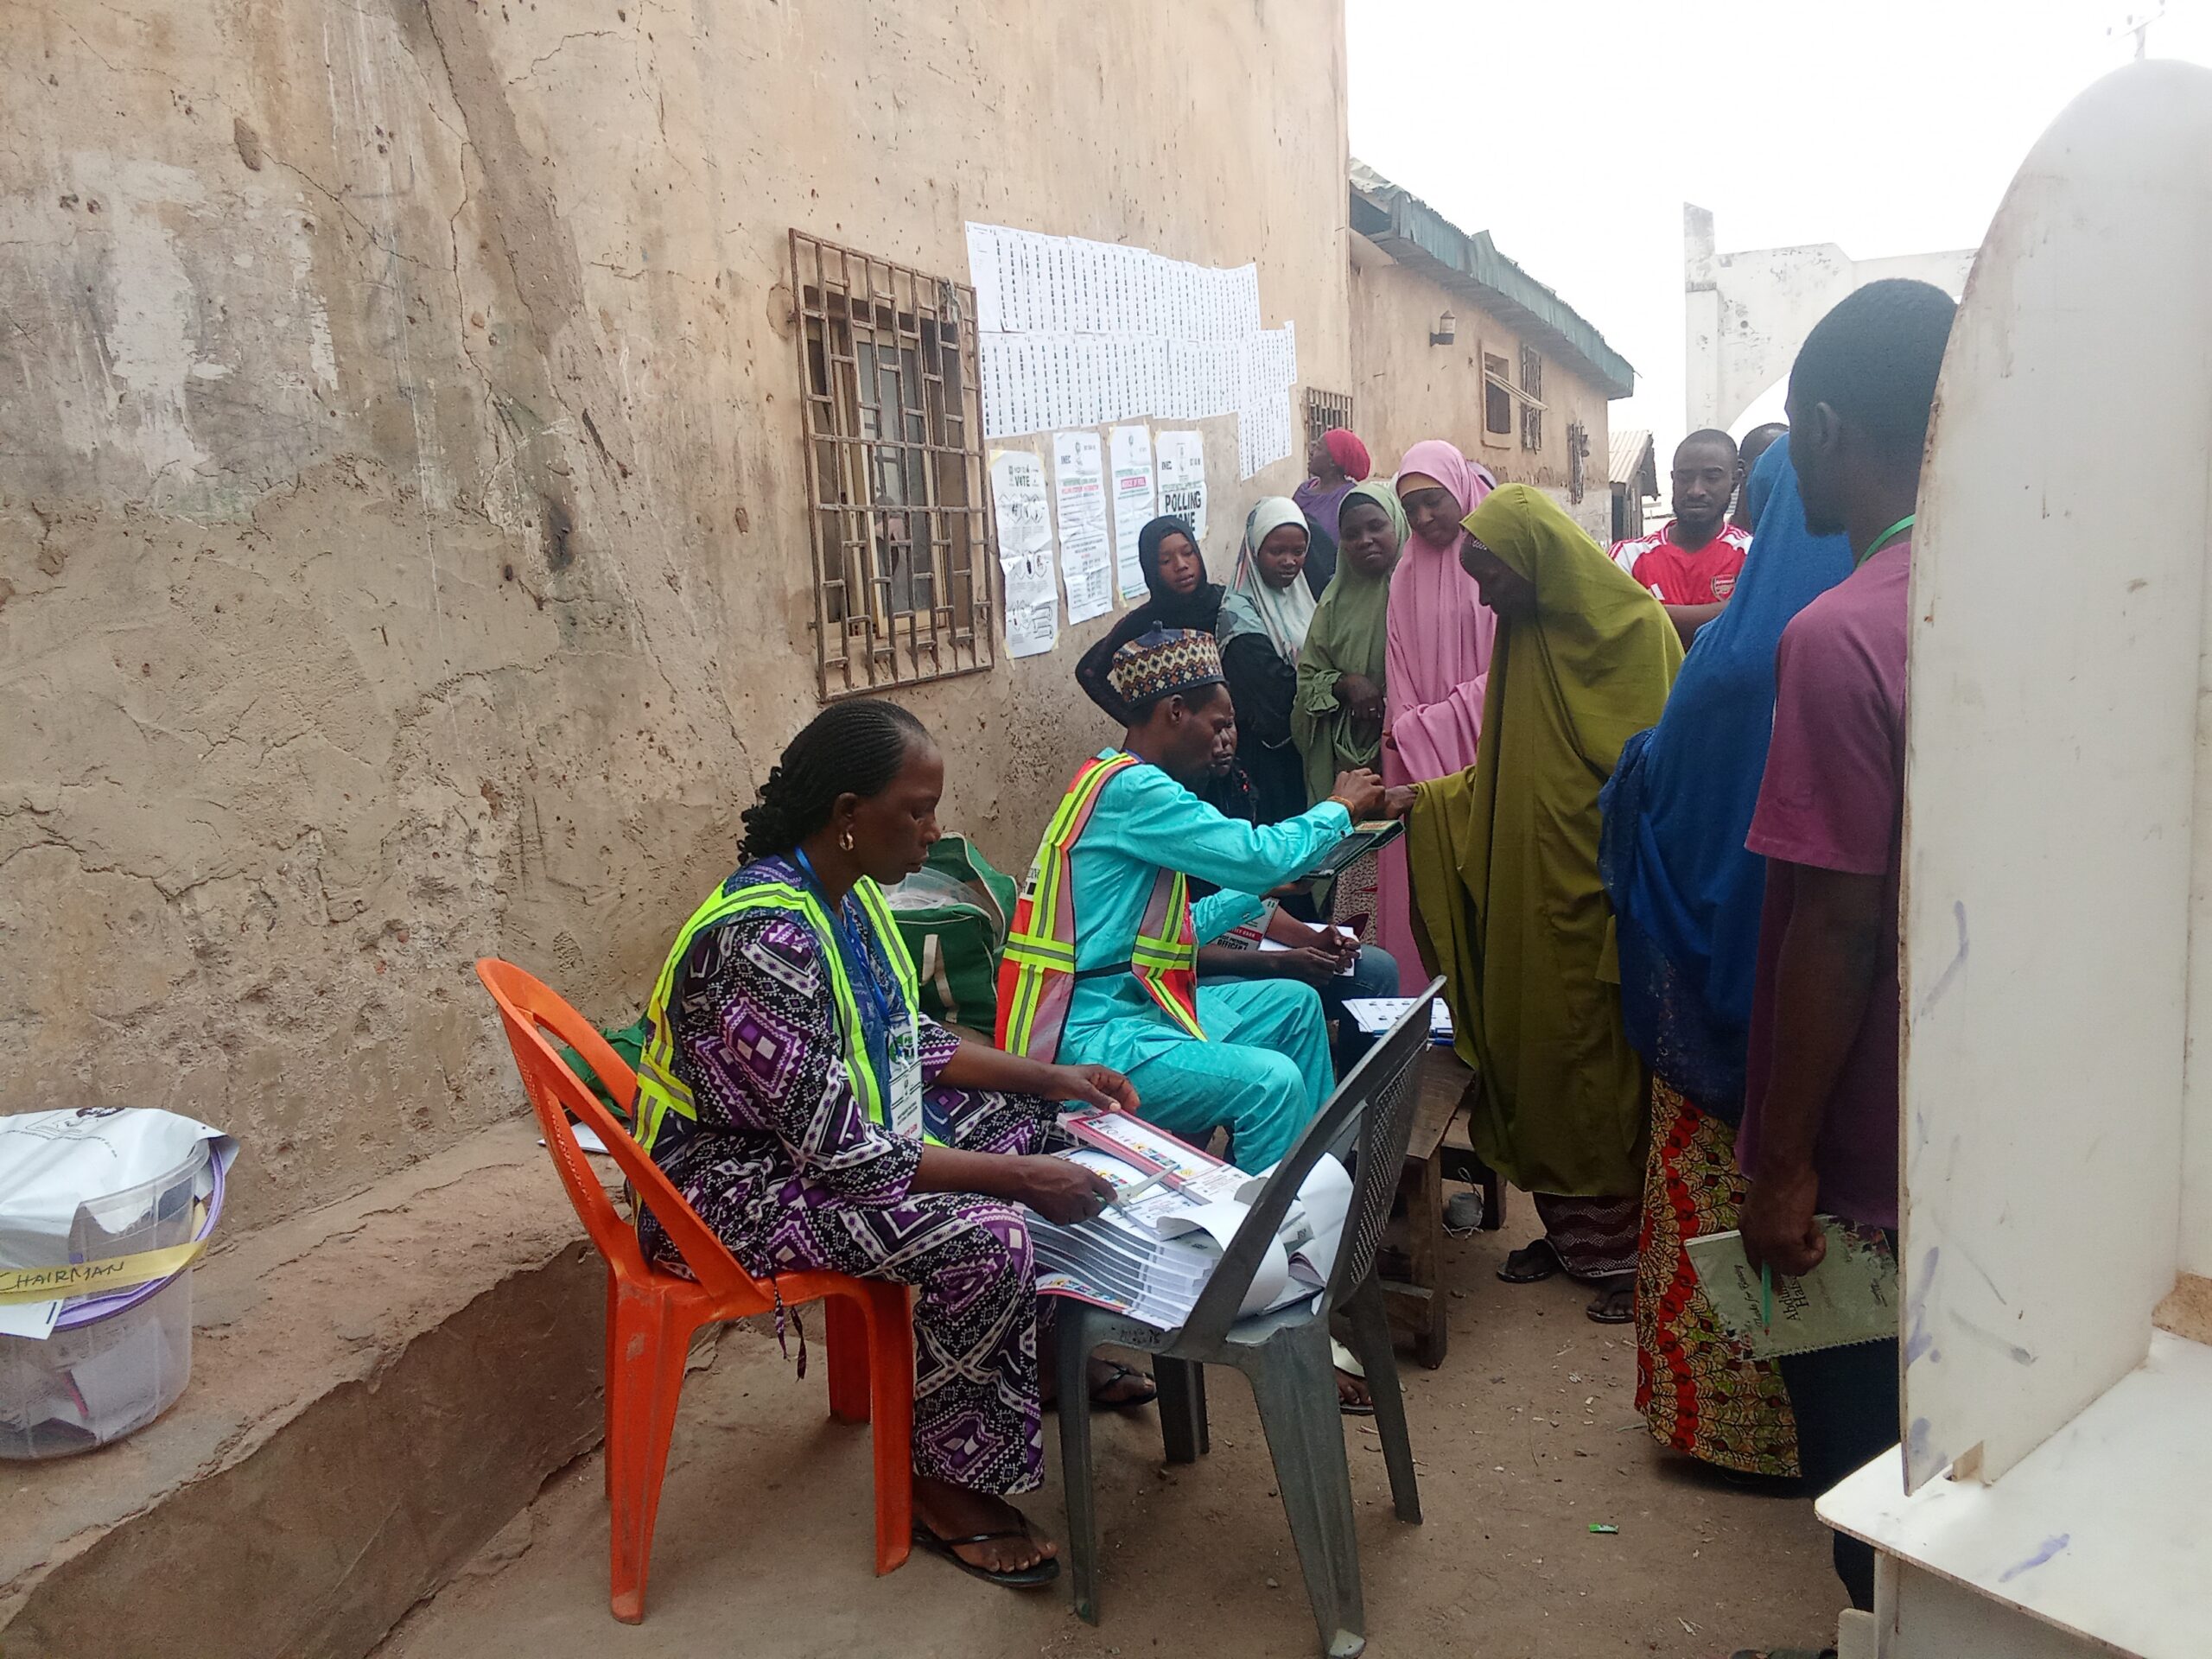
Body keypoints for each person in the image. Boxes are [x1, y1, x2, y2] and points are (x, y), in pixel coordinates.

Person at [632, 701, 1155, 1592]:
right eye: (916, 811)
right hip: (721, 1193)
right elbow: (849, 1157)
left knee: (1047, 1130)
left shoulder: (851, 899)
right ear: (847, 815)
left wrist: (1053, 1079)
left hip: (810, 1149)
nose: (933, 830)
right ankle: (943, 1482)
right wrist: (1018, 1181)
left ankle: (1034, 1358)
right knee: (987, 1232)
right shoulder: (764, 942)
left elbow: (905, 1042)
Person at [1734, 278, 1956, 1629]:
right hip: (2002, 1143)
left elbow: (1837, 923)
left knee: (1867, 1483)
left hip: (1868, 1163)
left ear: (1822, 427)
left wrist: (1785, 1166)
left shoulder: (1843, 634)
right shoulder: (2039, 597)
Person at [1599, 441, 1853, 1481]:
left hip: (1713, 984)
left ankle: (1720, 1427)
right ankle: (1835, 1435)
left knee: (1712, 1190)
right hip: (1834, 987)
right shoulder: (1883, 632)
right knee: (1831, 1194)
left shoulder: (1735, 657)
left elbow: (1657, 786)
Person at [1407, 486, 1682, 1323]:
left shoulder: (1638, 633)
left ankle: (1630, 1256)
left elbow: (1667, 781)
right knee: (1541, 1064)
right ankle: (1572, 1239)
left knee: (1602, 1075)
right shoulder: (1523, 639)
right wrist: (1427, 803)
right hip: (1529, 892)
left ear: (1536, 560)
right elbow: (1506, 768)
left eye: (1491, 578)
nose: (1485, 600)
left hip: (1604, 898)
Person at [997, 627, 1392, 1176]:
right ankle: (1265, 1222)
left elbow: (1178, 929)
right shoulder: (1134, 790)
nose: (1224, 739)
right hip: (1087, 1036)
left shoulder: (1115, 782)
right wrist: (1339, 808)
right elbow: (1261, 856)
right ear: (1176, 711)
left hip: (1134, 1007)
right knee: (1271, 1083)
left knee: (1296, 1006)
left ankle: (1316, 1184)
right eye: (1219, 723)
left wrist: (1261, 889)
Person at [1381, 439, 1497, 975]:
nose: (1424, 518)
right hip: (1422, 760)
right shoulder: (1405, 574)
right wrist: (1414, 730)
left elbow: (1510, 668)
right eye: (1411, 509)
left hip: (1493, 743)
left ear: (1461, 490)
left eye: (1434, 501)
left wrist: (1442, 720)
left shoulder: (1494, 558)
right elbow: (1398, 670)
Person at [1293, 480, 1408, 958]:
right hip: (1354, 772)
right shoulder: (1334, 602)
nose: (1365, 540)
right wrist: (1346, 683)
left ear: (1396, 525)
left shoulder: (1420, 587)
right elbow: (1306, 684)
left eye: (1376, 526)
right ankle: (1368, 984)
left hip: (1414, 764)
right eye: (1352, 533)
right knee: (1359, 902)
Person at [1076, 514, 1254, 820]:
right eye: (1166, 560)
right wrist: (1142, 722)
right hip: (1181, 762)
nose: (1181, 566)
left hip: (1242, 745)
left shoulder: (1228, 604)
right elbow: (1089, 671)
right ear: (1150, 569)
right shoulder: (1146, 621)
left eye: (1188, 553)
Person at [1217, 498, 1319, 824]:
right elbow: (1273, 690)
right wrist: (1333, 686)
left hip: (1308, 746)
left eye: (1298, 551)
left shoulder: (1302, 595)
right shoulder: (1238, 614)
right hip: (1269, 757)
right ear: (1254, 549)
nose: (1289, 561)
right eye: (1277, 551)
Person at [1611, 429, 1753, 646]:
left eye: (1711, 478)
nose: (1696, 490)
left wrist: (1642, 611)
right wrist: (1728, 611)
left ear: (1735, 480)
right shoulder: (1627, 556)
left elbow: (1754, 616)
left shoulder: (1752, 553)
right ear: (1673, 479)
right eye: (1684, 478)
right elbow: (1610, 619)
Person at [1292, 425, 1370, 582]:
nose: (1311, 452)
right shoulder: (1304, 490)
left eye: (1318, 448)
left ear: (1333, 461)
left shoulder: (1350, 498)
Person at [1732, 422, 1790, 531]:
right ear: (1741, 468)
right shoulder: (1707, 536)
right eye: (1775, 462)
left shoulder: (1791, 536)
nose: (1784, 473)